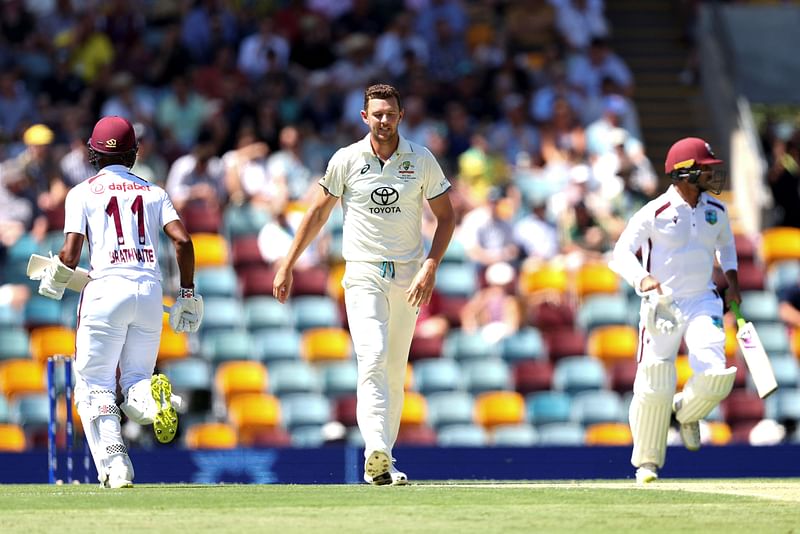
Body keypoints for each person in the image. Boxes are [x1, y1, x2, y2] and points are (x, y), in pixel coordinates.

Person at [273, 84, 455, 485]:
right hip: (362, 273)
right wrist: (287, 264)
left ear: (401, 116)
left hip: (409, 276)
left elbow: (447, 217)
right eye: (377, 114)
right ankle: (376, 447)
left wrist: (431, 265)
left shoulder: (421, 159)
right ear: (364, 117)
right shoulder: (346, 159)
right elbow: (317, 214)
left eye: (390, 114)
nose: (384, 121)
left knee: (393, 370)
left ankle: (383, 462)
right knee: (371, 355)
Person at [33, 116, 204, 489]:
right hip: (148, 292)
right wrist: (187, 293)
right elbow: (183, 242)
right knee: (136, 378)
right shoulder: (154, 191)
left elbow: (71, 253)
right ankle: (151, 399)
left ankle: (117, 464)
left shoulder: (82, 191)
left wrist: (54, 273)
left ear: (93, 153)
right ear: (135, 153)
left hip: (106, 291)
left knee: (94, 384)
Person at [609, 137, 741, 484]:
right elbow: (621, 253)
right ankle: (647, 464)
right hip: (662, 304)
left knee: (717, 374)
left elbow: (727, 248)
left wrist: (733, 281)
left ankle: (686, 413)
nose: (713, 177)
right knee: (654, 383)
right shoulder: (655, 212)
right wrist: (644, 279)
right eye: (705, 170)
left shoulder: (717, 211)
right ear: (684, 174)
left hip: (703, 299)